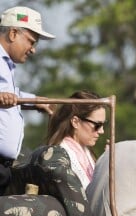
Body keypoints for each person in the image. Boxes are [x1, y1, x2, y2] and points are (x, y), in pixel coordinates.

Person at [0, 6, 55, 195]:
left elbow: (11, 94)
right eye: (31, 41)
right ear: (13, 33)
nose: (33, 50)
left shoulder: (6, 65)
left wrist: (35, 101)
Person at [46, 90, 106, 189]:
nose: (101, 131)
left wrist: (105, 162)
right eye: (97, 125)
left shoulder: (85, 151)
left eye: (103, 125)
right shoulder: (62, 156)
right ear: (75, 122)